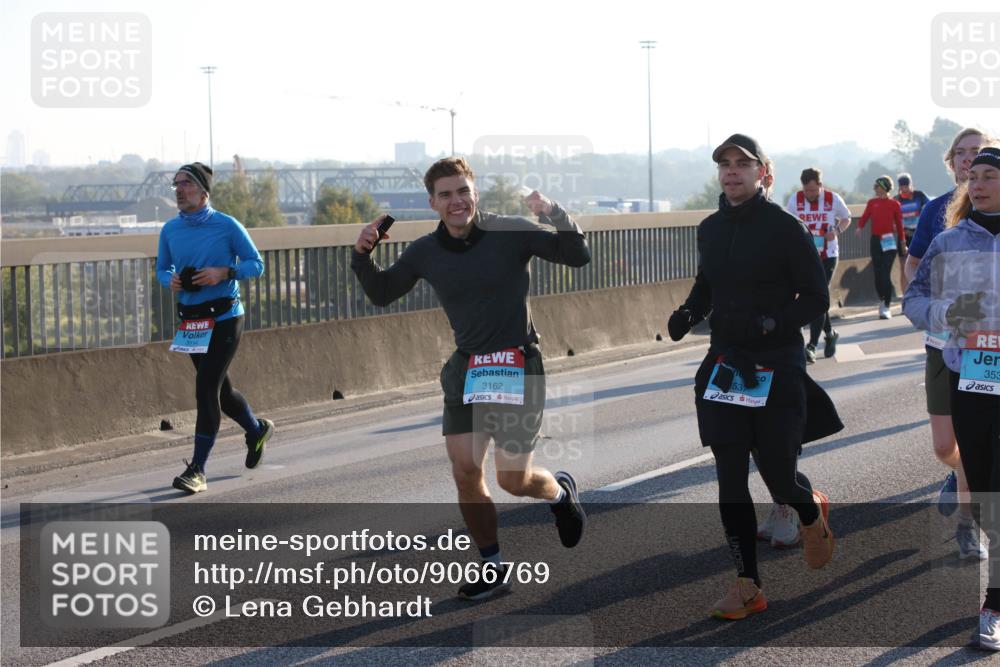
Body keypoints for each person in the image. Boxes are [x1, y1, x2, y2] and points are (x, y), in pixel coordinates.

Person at [351, 157, 589, 600]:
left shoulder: (511, 231)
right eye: (446, 194)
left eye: (463, 191)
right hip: (468, 370)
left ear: (474, 193)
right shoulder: (425, 251)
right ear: (433, 203)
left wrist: (554, 213)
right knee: (465, 471)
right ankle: (493, 568)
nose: (456, 201)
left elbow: (577, 255)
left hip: (518, 365)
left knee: (513, 480)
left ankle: (559, 493)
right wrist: (362, 255)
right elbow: (382, 293)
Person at [668, 134, 841, 620]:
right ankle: (748, 585)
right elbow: (709, 282)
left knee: (780, 478)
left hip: (777, 362)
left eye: (742, 164)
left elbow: (816, 298)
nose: (731, 172)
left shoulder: (786, 228)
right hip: (727, 362)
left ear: (763, 173)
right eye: (723, 164)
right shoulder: (710, 227)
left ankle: (809, 510)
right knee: (728, 477)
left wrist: (774, 322)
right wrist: (689, 310)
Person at [903, 145, 1000, 651]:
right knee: (982, 487)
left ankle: (995, 601)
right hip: (974, 377)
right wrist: (943, 315)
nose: (978, 183)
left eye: (990, 176)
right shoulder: (948, 240)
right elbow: (913, 300)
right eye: (974, 176)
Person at [155, 162, 274, 494]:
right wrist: (173, 280)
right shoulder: (170, 230)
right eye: (176, 184)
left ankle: (197, 470)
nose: (179, 190)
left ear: (204, 192)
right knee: (221, 391)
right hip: (192, 320)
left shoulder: (227, 225)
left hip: (225, 316)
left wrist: (225, 273)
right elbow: (162, 269)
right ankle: (256, 429)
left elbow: (256, 264)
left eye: (186, 184)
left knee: (206, 387)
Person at [786, 168, 852, 363]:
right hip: (806, 255)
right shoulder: (795, 200)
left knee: (818, 293)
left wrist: (837, 230)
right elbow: (788, 223)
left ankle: (812, 345)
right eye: (807, 191)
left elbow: (847, 217)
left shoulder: (833, 199)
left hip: (828, 254)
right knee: (816, 297)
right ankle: (830, 333)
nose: (810, 195)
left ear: (820, 186)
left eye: (814, 191)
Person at [856, 176, 905, 319]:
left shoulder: (895, 204)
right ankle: (882, 299)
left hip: (889, 241)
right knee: (877, 274)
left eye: (877, 186)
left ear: (884, 188)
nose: (875, 189)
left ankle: (886, 305)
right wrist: (859, 227)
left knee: (885, 272)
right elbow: (865, 217)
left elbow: (900, 224)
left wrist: (902, 242)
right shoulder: (872, 203)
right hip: (876, 240)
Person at [893, 172, 930, 293]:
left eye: (907, 186)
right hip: (904, 236)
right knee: (904, 267)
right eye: (902, 186)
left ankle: (922, 292)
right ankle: (905, 297)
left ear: (911, 185)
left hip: (919, 235)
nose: (905, 189)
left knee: (921, 264)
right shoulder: (896, 200)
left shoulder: (919, 196)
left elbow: (930, 208)